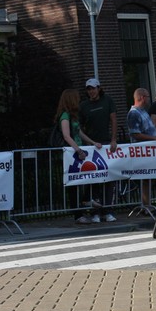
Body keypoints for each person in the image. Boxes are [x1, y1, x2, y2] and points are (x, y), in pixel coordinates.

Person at [54, 88, 100, 224]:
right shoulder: (65, 116)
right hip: (72, 154)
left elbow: (79, 132)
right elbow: (66, 135)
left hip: (77, 152)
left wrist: (92, 142)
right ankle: (78, 214)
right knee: (73, 184)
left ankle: (85, 200)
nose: (79, 100)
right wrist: (78, 150)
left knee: (89, 175)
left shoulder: (73, 115)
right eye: (76, 98)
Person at [79, 78, 119, 223]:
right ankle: (95, 212)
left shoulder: (107, 100)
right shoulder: (83, 106)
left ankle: (107, 210)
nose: (91, 91)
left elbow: (113, 120)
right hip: (92, 146)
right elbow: (80, 127)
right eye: (89, 89)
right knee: (94, 178)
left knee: (109, 177)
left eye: (93, 88)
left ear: (99, 88)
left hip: (106, 143)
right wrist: (88, 143)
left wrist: (113, 140)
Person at [127, 88, 156, 208]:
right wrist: (155, 138)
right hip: (142, 151)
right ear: (142, 97)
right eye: (148, 97)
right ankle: (145, 205)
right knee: (145, 177)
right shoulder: (134, 113)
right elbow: (135, 134)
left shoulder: (143, 112)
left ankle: (147, 204)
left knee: (148, 178)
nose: (150, 99)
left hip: (149, 150)